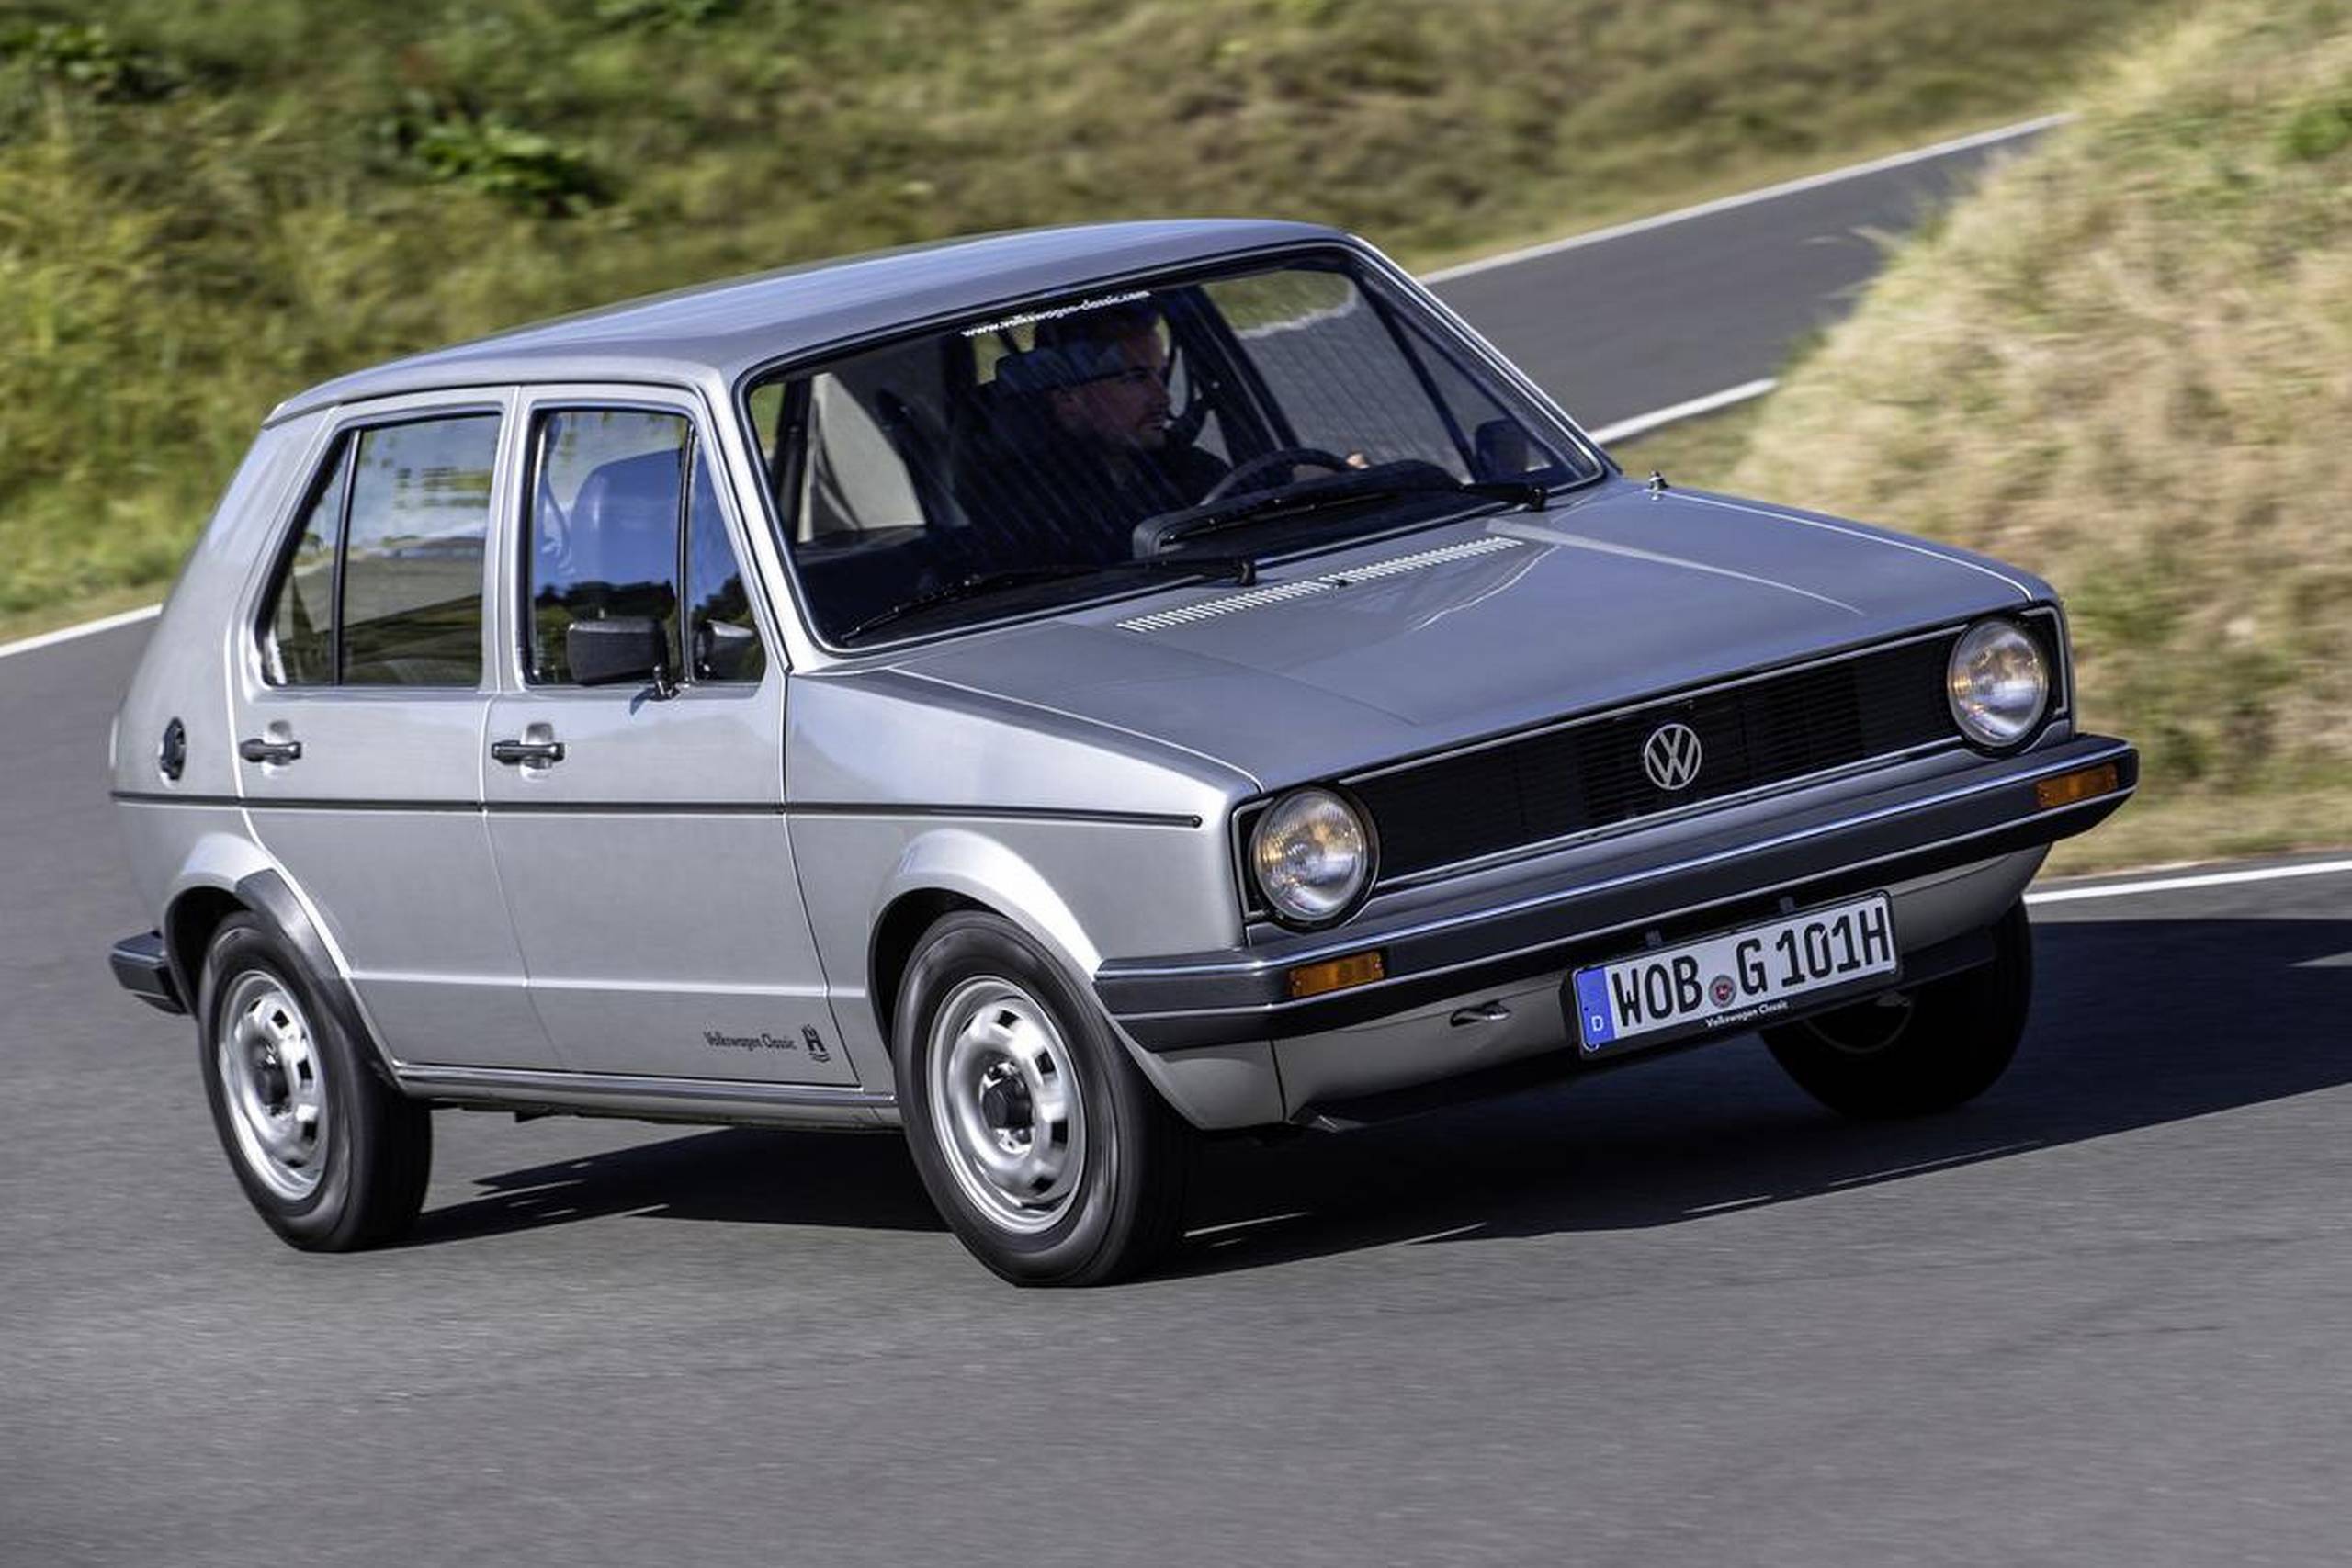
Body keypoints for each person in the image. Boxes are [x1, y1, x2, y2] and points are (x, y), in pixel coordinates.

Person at [972, 300, 1229, 560]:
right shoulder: (1025, 509)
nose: (1163, 398)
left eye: (1160, 375)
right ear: (1068, 399)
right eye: (1136, 378)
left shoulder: (1194, 471)